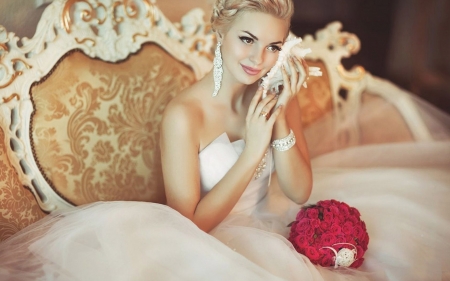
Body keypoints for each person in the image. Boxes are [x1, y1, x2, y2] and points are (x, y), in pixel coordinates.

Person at [1, 0, 450, 280]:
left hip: (273, 223)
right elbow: (187, 224)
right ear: (221, 31)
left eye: (274, 47)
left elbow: (298, 191)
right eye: (247, 40)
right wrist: (252, 150)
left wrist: (280, 117)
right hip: (205, 239)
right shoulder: (184, 115)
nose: (259, 59)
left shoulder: (274, 90)